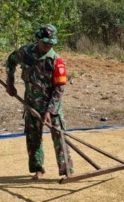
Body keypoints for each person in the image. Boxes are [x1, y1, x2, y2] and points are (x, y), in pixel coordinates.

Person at [4, 24, 73, 180]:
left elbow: (59, 89)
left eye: (51, 43)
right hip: (31, 104)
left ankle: (66, 172)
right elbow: (10, 61)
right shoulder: (25, 53)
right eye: (45, 42)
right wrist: (10, 82)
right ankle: (38, 169)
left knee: (60, 138)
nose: (48, 45)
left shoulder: (56, 61)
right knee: (33, 139)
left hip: (52, 106)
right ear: (38, 39)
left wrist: (50, 111)